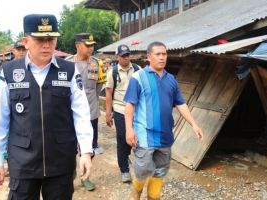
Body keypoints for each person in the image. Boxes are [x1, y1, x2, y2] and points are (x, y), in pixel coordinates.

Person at [0, 14, 93, 199]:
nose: (46, 45)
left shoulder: (69, 70)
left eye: (51, 39)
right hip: (23, 162)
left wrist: (85, 151)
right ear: (26, 41)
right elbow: (0, 120)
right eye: (40, 39)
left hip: (60, 160)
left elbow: (81, 114)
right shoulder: (10, 72)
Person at [124, 41, 204, 200]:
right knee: (143, 169)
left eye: (164, 54)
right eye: (158, 54)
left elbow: (180, 103)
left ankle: (153, 196)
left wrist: (194, 124)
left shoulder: (171, 80)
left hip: (165, 135)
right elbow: (130, 104)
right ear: (149, 57)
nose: (162, 57)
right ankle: (136, 192)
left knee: (160, 170)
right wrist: (129, 129)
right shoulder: (138, 77)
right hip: (144, 135)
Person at [65, 32, 105, 191]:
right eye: (87, 45)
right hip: (69, 114)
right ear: (77, 46)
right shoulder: (67, 64)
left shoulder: (97, 64)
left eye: (92, 45)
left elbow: (98, 88)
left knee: (90, 147)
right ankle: (70, 174)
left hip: (91, 113)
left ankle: (85, 176)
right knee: (68, 147)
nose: (91, 48)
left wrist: (92, 105)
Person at [105, 44, 140, 183]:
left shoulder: (137, 69)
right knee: (122, 138)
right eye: (123, 56)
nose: (126, 58)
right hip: (120, 109)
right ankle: (124, 170)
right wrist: (108, 113)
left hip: (136, 111)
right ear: (117, 57)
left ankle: (126, 157)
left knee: (135, 138)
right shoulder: (112, 72)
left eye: (128, 55)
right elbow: (108, 93)